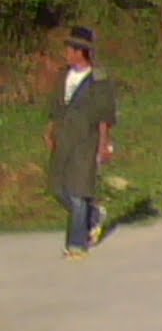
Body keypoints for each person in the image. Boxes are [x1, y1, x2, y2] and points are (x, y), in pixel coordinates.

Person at [45, 26, 117, 259]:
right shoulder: (63, 76)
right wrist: (51, 130)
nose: (67, 53)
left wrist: (105, 144)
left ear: (81, 52)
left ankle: (77, 244)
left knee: (78, 193)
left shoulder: (98, 80)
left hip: (86, 140)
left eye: (70, 49)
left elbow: (105, 115)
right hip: (64, 139)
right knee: (58, 188)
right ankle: (94, 215)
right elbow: (56, 108)